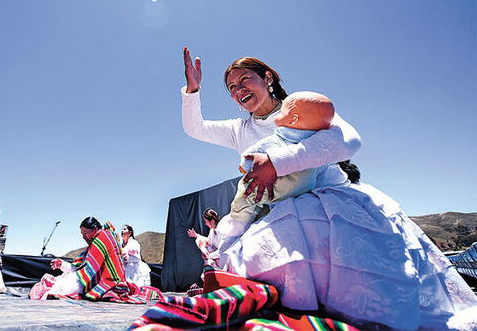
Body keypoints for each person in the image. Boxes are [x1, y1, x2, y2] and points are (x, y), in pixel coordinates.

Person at [180, 47, 477, 330]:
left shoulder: (307, 107)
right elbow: (195, 129)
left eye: (245, 79)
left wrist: (276, 162)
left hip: (329, 205)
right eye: (231, 87)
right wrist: (193, 91)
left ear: (268, 78)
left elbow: (348, 141)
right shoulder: (239, 130)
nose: (238, 89)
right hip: (274, 212)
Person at [216, 91, 344, 239]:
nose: (278, 113)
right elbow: (324, 164)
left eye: (282, 111)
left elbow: (253, 153)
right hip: (306, 184)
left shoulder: (280, 136)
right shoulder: (315, 142)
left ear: (293, 119)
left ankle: (237, 223)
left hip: (279, 182)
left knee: (248, 190)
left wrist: (245, 165)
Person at [29, 217, 161, 303]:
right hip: (106, 279)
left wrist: (66, 275)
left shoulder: (101, 240)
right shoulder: (101, 238)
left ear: (94, 230)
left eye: (85, 233)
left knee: (59, 287)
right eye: (82, 234)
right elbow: (84, 266)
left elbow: (87, 271)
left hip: (109, 282)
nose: (84, 237)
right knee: (60, 283)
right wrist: (62, 264)